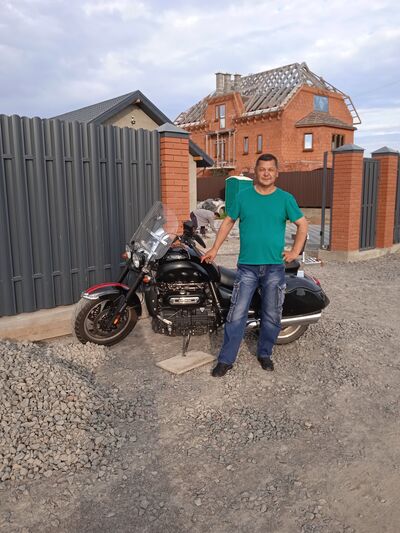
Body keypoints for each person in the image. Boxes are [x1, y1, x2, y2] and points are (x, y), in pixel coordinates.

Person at [201, 153, 308, 377]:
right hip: (247, 267)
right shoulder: (243, 197)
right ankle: (226, 360)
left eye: (270, 169)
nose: (266, 173)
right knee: (236, 314)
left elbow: (302, 224)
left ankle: (265, 353)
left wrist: (295, 251)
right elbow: (228, 222)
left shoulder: (285, 198)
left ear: (276, 173)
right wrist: (214, 249)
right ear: (256, 172)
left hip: (274, 267)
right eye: (262, 169)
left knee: (272, 314)